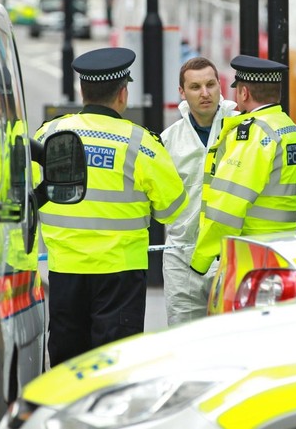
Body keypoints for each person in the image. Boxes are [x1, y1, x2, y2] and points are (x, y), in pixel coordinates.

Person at [34, 47, 188, 366]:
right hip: (121, 274)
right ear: (123, 93)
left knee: (66, 362)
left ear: (81, 90)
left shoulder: (50, 133)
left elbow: (29, 194)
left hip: (65, 269)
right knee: (115, 366)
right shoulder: (140, 142)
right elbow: (173, 209)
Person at [189, 55, 296, 276]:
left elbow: (229, 205)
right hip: (283, 250)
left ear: (244, 93)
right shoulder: (293, 131)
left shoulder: (254, 135)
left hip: (251, 255)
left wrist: (201, 260)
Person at [161, 57, 237, 326]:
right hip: (182, 257)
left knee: (231, 338)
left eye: (210, 84)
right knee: (183, 341)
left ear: (220, 86)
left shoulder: (243, 129)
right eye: (195, 87)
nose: (205, 93)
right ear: (182, 92)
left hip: (230, 254)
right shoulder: (169, 139)